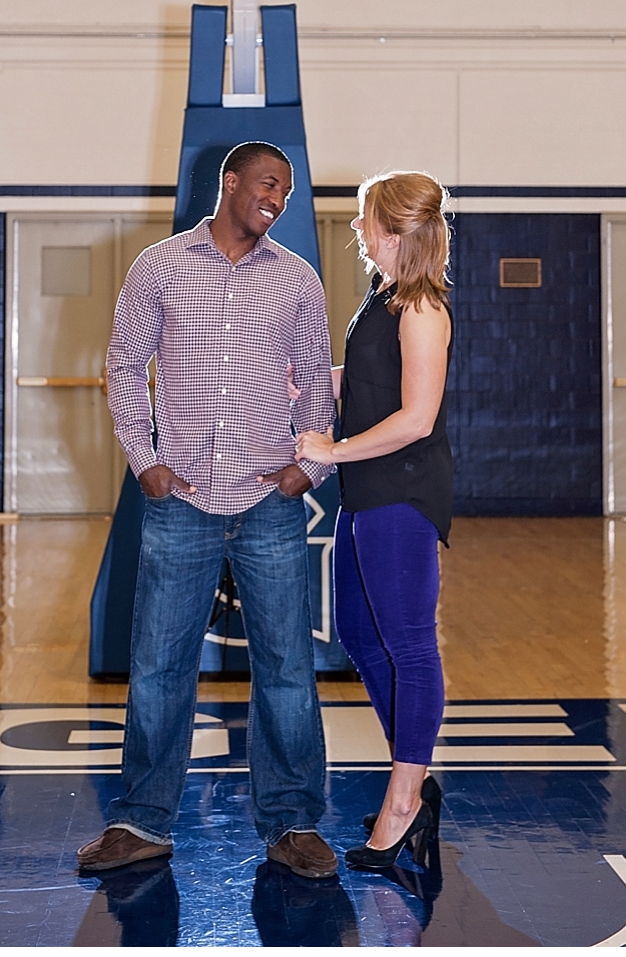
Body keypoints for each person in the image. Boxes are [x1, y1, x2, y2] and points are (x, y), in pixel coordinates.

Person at [77, 142, 339, 879]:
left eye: (285, 191)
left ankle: (292, 824)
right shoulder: (158, 267)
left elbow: (318, 384)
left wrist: (306, 470)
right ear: (230, 183)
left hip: (269, 502)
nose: (276, 199)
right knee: (160, 666)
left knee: (287, 667)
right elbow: (125, 364)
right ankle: (141, 822)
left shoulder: (297, 280)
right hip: (181, 499)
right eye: (266, 184)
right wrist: (145, 460)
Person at [295, 171, 453, 871]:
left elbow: (416, 418)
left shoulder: (422, 309)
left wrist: (331, 448)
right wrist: (302, 381)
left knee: (410, 645)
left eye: (362, 219)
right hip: (366, 492)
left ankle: (403, 802)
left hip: (402, 496)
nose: (356, 228)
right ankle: (412, 781)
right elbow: (366, 382)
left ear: (390, 230)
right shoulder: (383, 300)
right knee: (360, 634)